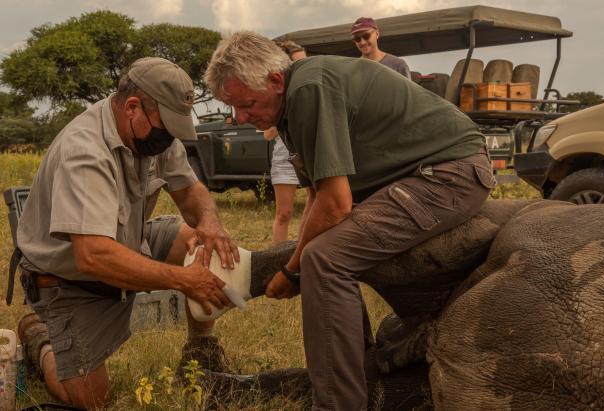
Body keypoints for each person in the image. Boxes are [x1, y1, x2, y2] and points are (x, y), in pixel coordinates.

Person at [205, 32, 496, 411]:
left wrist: (294, 271)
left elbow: (337, 205)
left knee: (325, 260)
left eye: (246, 104)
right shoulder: (290, 104)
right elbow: (317, 197)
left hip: (447, 174)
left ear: (276, 81)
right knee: (319, 253)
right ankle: (363, 375)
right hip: (421, 176)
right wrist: (296, 262)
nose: (241, 118)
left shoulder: (309, 88)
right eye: (233, 108)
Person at [15, 57, 240, 410]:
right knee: (91, 399)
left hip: (129, 244)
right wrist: (182, 280)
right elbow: (93, 255)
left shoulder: (153, 134)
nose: (169, 139)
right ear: (133, 107)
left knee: (194, 241)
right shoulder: (84, 151)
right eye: (165, 128)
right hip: (69, 281)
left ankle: (201, 351)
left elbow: (189, 190)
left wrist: (209, 222)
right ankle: (39, 340)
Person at [263, 40, 313, 245]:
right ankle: (277, 258)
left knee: (315, 205)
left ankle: (303, 252)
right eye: (297, 64)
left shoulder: (312, 92)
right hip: (285, 157)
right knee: (284, 213)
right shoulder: (274, 97)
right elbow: (267, 135)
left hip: (310, 155)